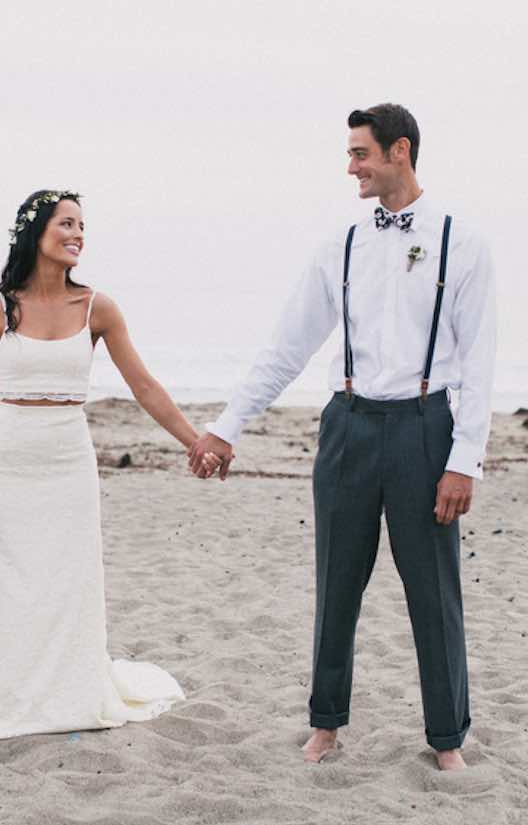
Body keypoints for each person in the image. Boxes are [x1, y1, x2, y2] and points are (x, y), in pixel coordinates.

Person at [189, 104, 497, 770]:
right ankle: (325, 725)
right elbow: (287, 346)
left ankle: (447, 739)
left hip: (425, 428)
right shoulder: (343, 245)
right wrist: (226, 426)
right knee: (335, 585)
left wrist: (464, 458)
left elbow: (479, 360)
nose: (350, 166)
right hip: (348, 427)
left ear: (400, 152)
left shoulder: (459, 241)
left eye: (361, 153)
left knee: (433, 592)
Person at [0, 189, 217, 738]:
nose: (78, 235)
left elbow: (144, 385)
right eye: (66, 224)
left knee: (69, 581)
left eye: (82, 226)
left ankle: (70, 698)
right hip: (11, 460)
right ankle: (19, 698)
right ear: (36, 232)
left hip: (68, 459)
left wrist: (194, 442)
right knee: (15, 586)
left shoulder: (98, 307)